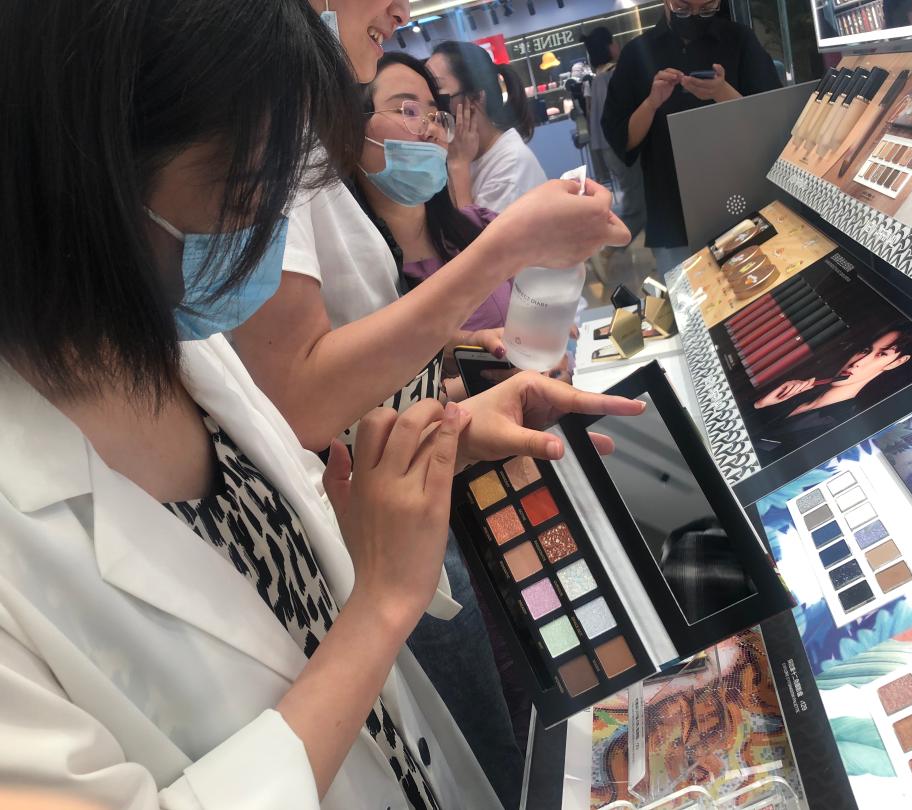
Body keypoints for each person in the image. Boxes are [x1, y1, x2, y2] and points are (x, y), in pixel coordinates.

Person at [0, 2, 643, 810]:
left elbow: (285, 572)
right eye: (246, 189)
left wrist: (437, 445)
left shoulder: (177, 348)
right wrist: (381, 606)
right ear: (84, 174)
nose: (265, 232)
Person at [601, 0, 781, 272]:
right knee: (689, 295)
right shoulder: (637, 54)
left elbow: (768, 120)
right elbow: (623, 140)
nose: (694, 16)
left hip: (741, 201)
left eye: (707, 8)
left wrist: (722, 92)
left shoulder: (738, 40)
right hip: (672, 212)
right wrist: (651, 103)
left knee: (756, 288)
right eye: (683, 8)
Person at [353, 52, 508, 332]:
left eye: (436, 116)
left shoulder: (478, 226)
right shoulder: (352, 278)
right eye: (407, 111)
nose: (431, 129)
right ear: (352, 129)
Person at [751, 325, 912, 460]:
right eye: (865, 350)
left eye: (882, 355)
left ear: (896, 362)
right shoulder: (795, 394)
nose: (858, 362)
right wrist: (761, 405)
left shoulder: (836, 428)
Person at [427, 41, 548, 213]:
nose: (430, 104)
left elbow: (472, 231)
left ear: (475, 98)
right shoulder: (461, 153)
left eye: (436, 90)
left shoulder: (510, 169)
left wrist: (458, 165)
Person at [584, 26, 648, 288]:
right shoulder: (614, 74)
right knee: (637, 205)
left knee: (638, 197)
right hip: (622, 146)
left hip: (608, 148)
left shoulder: (596, 79)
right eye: (614, 42)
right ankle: (606, 248)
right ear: (609, 46)